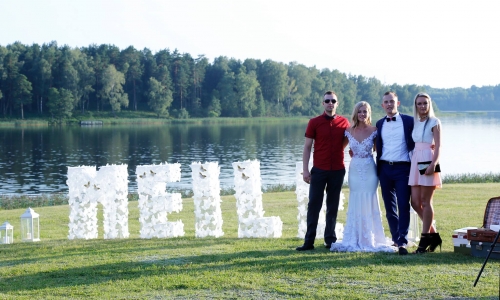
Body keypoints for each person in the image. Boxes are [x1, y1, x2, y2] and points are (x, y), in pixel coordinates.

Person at [330, 101, 396, 252]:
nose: (362, 114)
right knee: (356, 199)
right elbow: (340, 148)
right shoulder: (348, 131)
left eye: (365, 111)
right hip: (354, 170)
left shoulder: (375, 130)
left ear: (369, 113)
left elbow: (381, 150)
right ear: (356, 113)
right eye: (360, 111)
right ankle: (355, 236)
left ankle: (372, 237)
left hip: (369, 170)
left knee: (370, 199)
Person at [296, 91, 350, 251]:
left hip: (338, 170)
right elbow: (306, 147)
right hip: (319, 170)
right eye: (327, 101)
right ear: (323, 103)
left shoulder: (344, 122)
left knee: (332, 206)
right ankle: (309, 242)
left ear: (337, 103)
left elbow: (345, 142)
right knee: (314, 205)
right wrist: (305, 171)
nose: (330, 103)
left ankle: (330, 240)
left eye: (333, 101)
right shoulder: (314, 122)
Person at [375, 91, 415, 255]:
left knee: (404, 205)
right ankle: (396, 238)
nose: (389, 104)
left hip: (403, 168)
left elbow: (421, 136)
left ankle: (403, 241)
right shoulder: (378, 124)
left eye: (392, 101)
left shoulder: (409, 121)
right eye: (386, 102)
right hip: (384, 168)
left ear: (397, 104)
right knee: (390, 207)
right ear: (382, 105)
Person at [408, 92, 442, 253]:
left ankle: (424, 239)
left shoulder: (435, 122)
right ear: (416, 106)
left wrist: (433, 164)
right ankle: (433, 235)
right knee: (415, 202)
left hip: (428, 159)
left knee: (426, 201)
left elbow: (439, 146)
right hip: (416, 160)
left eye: (425, 103)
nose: (422, 106)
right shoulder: (415, 122)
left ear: (429, 105)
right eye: (419, 103)